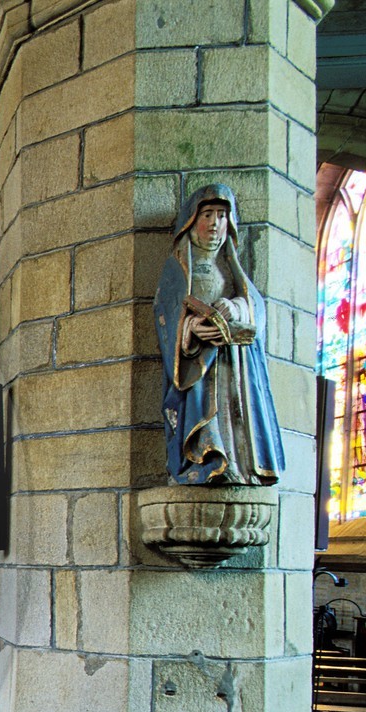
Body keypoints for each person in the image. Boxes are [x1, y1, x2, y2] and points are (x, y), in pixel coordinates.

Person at [154, 184, 284, 486]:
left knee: (233, 417)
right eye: (208, 214)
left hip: (234, 365)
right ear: (192, 220)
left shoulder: (230, 267)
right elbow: (166, 316)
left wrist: (235, 306)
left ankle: (236, 464)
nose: (214, 223)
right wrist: (190, 329)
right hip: (198, 366)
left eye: (222, 216)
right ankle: (203, 460)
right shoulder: (178, 268)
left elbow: (256, 311)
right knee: (203, 419)